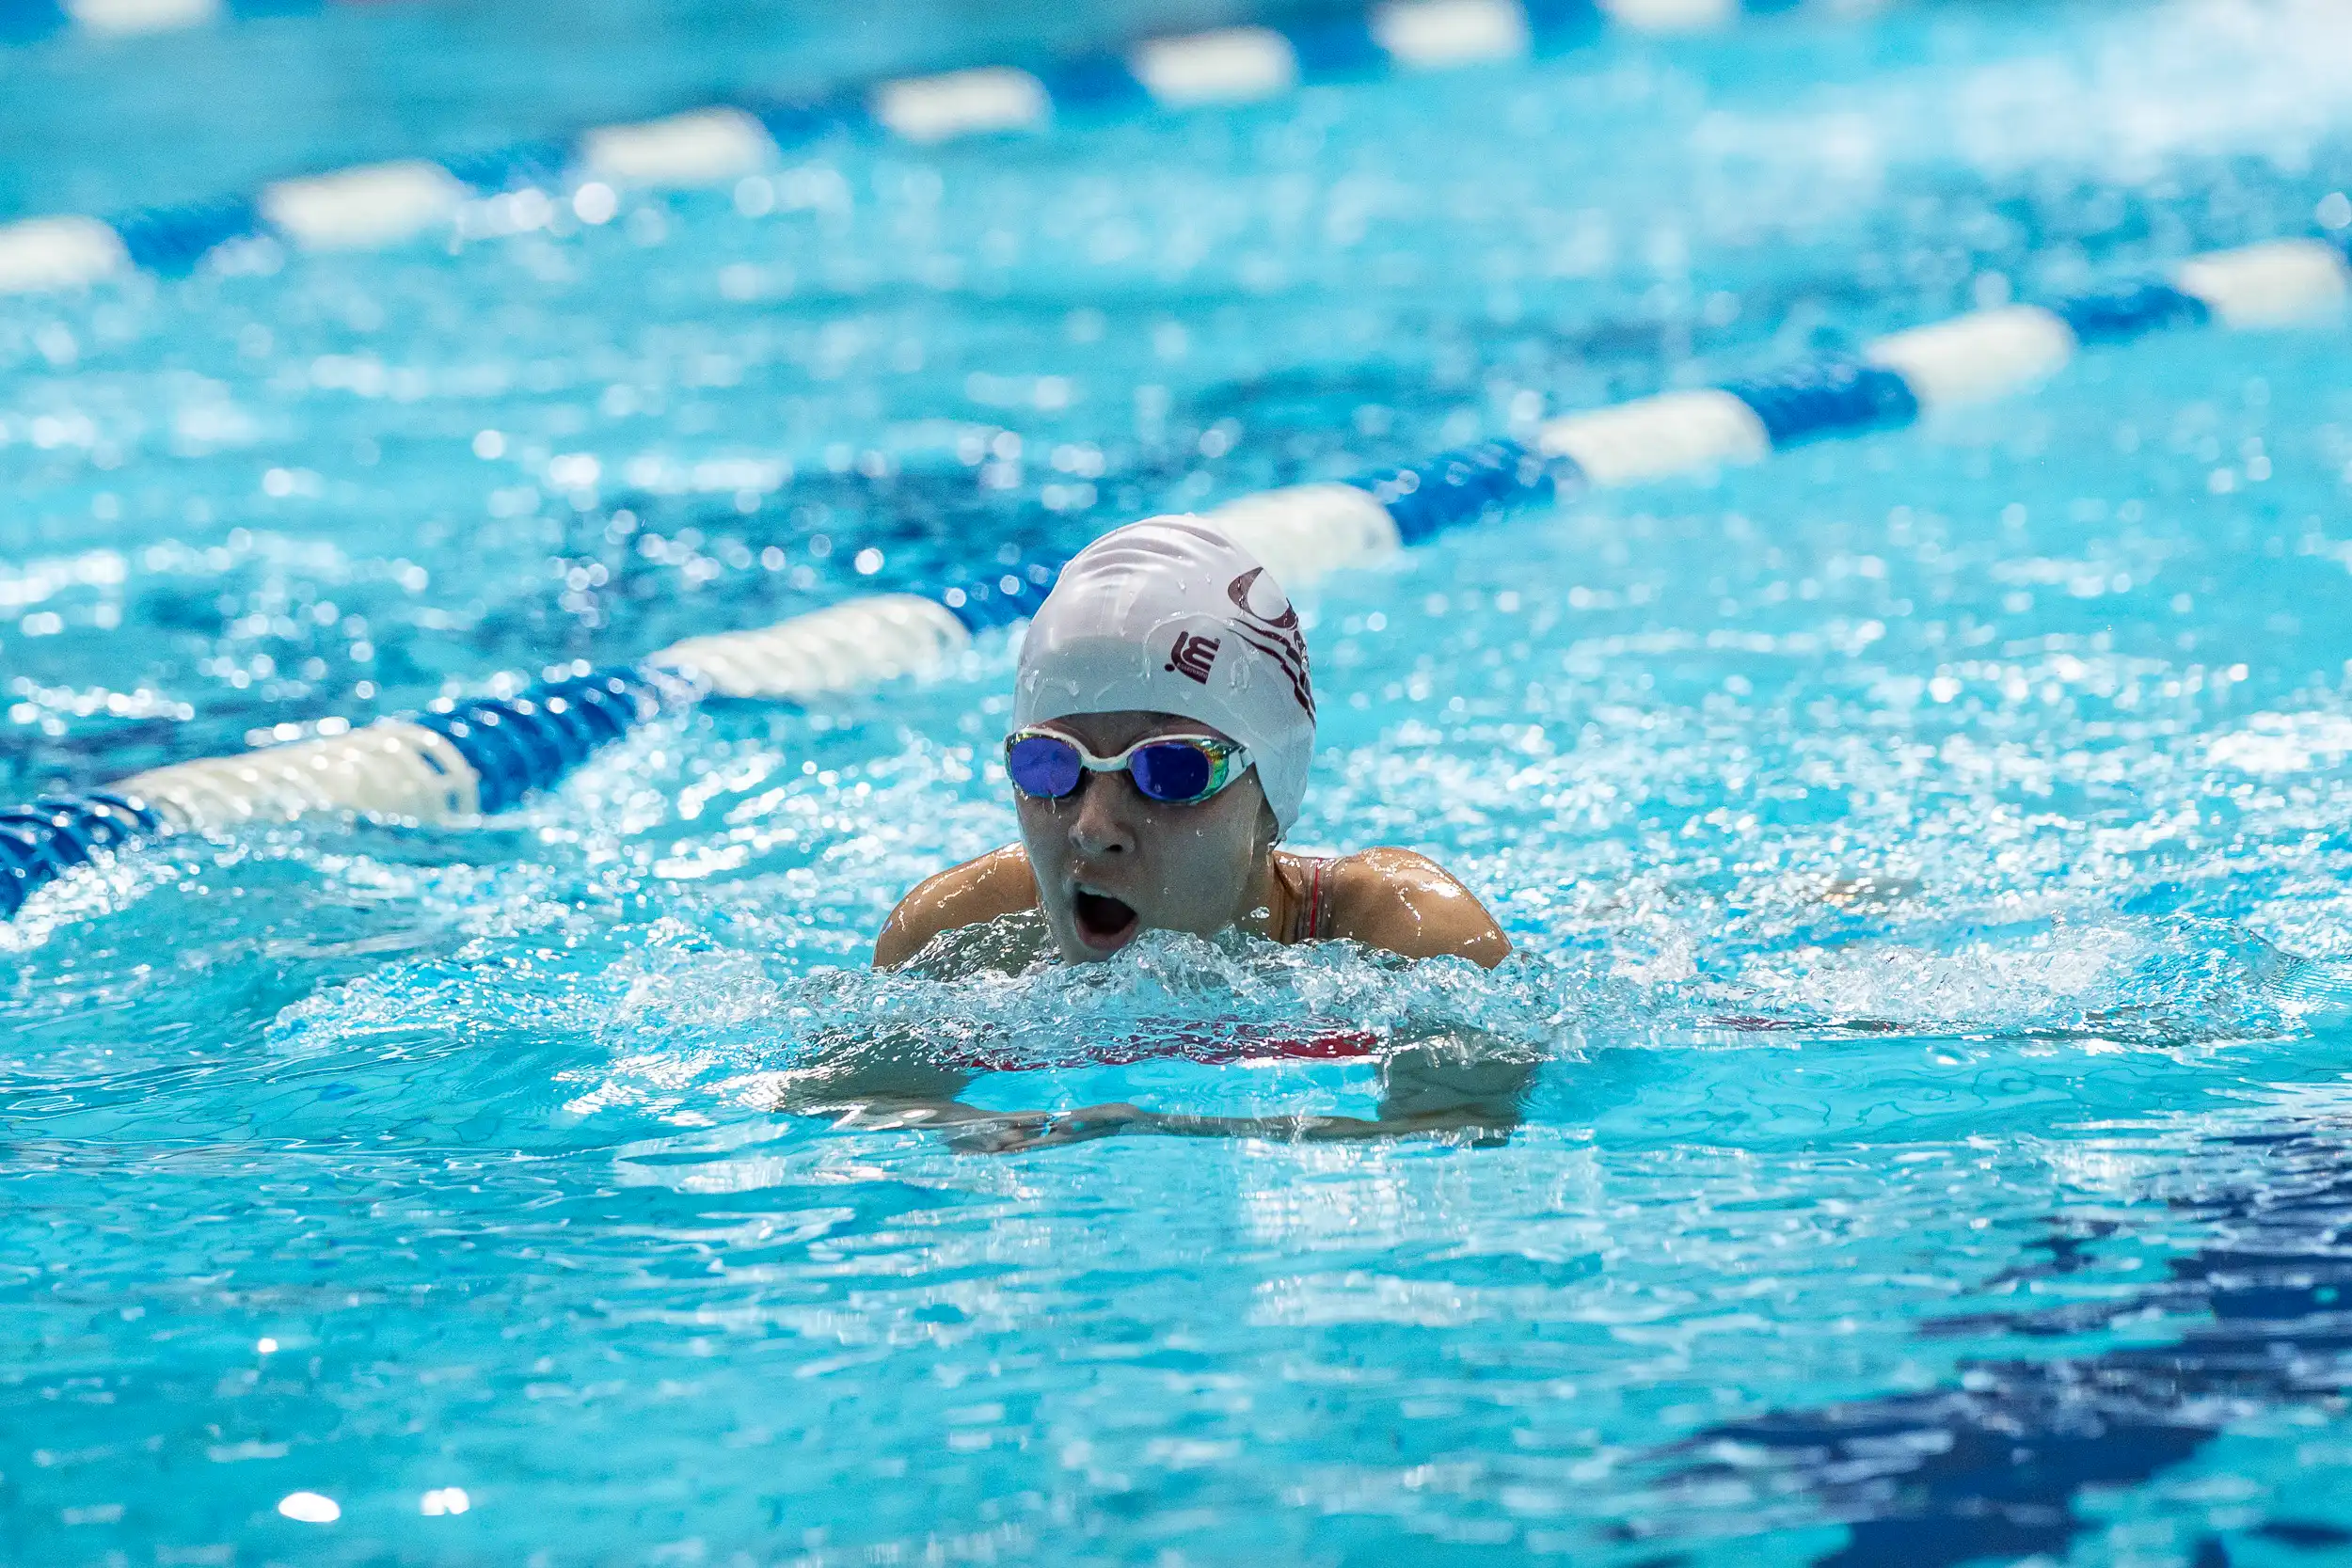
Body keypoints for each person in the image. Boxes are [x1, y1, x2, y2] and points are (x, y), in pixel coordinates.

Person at [789, 515, 1525, 1151]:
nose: (1093, 827)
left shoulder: (1407, 941)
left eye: (1168, 771)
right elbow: (833, 1119)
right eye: (1051, 766)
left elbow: (1459, 1146)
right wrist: (963, 1130)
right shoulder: (958, 939)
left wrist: (1182, 1134)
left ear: (1271, 795)